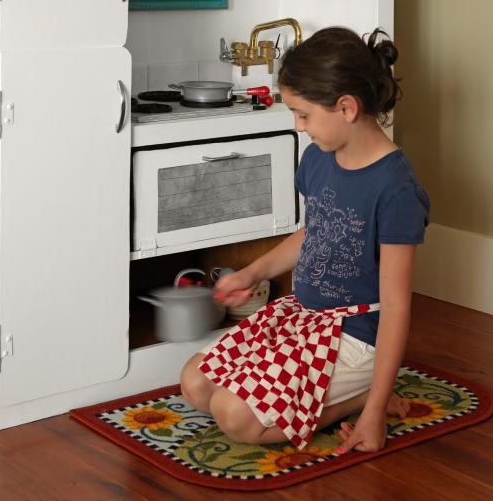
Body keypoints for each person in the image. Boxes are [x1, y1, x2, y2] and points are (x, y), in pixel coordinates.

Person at [180, 26, 429, 455]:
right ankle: (346, 395)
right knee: (196, 384)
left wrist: (370, 415)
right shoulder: (318, 158)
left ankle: (367, 397)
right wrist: (253, 271)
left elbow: (397, 306)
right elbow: (314, 232)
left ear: (346, 107)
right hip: (303, 317)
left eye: (303, 114)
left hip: (354, 336)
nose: (298, 127)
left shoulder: (396, 189)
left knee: (236, 417)